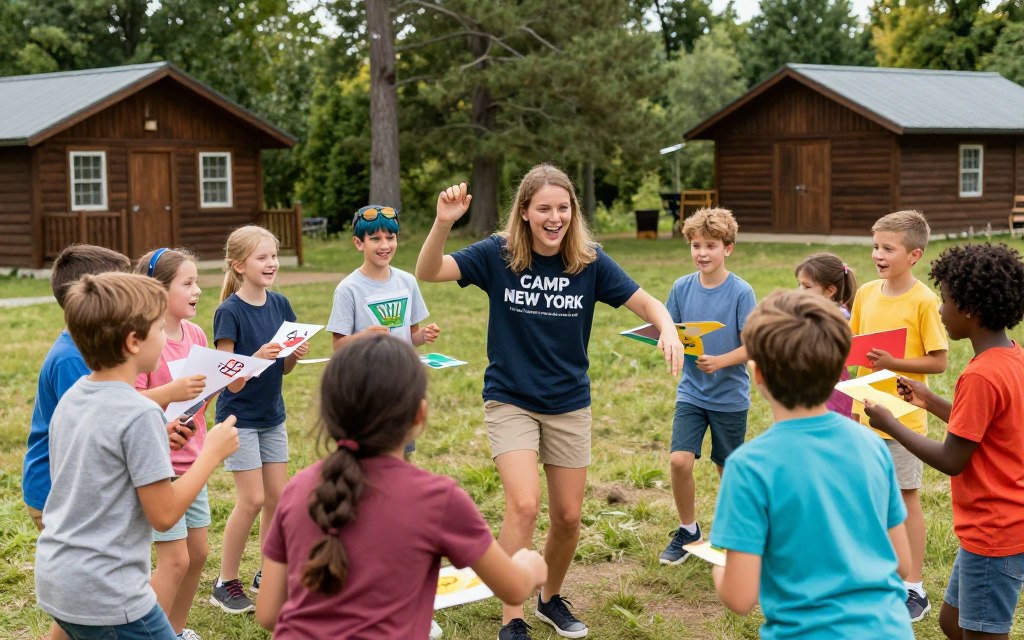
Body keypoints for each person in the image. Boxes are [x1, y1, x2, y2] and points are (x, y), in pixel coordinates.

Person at [416, 166, 684, 640]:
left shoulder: (589, 261)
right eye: (544, 208)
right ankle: (511, 618)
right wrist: (443, 223)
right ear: (525, 211)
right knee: (523, 505)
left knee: (567, 517)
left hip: (568, 402)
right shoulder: (497, 256)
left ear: (572, 212)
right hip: (510, 399)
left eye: (563, 208)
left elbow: (648, 304)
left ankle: (549, 597)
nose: (555, 217)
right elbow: (429, 271)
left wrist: (667, 328)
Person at [255, 334, 548, 638]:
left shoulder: (298, 488)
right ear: (419, 415)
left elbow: (268, 613)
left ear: (330, 414)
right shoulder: (438, 499)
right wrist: (529, 566)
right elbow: (513, 588)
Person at [34, 272, 239, 640]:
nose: (165, 336)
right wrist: (211, 453)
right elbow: (163, 516)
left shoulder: (76, 395)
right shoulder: (139, 413)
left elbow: (100, 454)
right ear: (133, 341)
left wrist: (157, 437)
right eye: (159, 327)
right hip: (110, 592)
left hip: (57, 575)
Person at [710, 290, 913, 640]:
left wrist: (719, 557)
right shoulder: (871, 445)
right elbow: (901, 563)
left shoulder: (748, 466)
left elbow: (740, 597)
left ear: (756, 374)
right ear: (839, 370)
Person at [864, 243, 1024, 640]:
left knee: (982, 634)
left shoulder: (980, 375)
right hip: (1000, 525)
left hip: (993, 530)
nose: (940, 309)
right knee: (952, 623)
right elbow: (984, 428)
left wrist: (891, 422)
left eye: (947, 300)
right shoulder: (1010, 358)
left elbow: (953, 458)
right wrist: (929, 399)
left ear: (969, 310)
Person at [21, 244, 131, 640]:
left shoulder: (83, 349)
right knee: (91, 598)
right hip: (58, 494)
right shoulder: (72, 360)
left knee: (77, 603)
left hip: (65, 490)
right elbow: (95, 428)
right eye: (123, 289)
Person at [850, 209, 948, 622]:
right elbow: (854, 348)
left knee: (906, 501)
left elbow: (939, 361)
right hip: (862, 413)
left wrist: (895, 362)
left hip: (904, 422)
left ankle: (914, 588)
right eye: (875, 246)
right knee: (868, 501)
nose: (878, 254)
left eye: (888, 248)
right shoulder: (866, 293)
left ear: (914, 255)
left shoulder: (925, 300)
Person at [209, 225, 309, 614]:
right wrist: (257, 359)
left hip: (272, 417)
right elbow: (228, 382)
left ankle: (268, 574)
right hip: (239, 419)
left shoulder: (281, 305)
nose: (271, 264)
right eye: (261, 258)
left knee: (277, 499)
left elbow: (284, 371)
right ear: (238, 265)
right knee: (250, 499)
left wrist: (291, 355)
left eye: (273, 256)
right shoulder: (228, 312)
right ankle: (225, 582)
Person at [659, 207, 756, 566]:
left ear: (727, 249)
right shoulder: (681, 287)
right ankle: (688, 530)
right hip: (691, 392)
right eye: (696, 245)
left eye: (710, 245)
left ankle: (731, 535)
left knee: (726, 468)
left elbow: (753, 345)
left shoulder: (741, 292)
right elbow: (669, 328)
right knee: (679, 461)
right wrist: (667, 342)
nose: (702, 253)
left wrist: (720, 361)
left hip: (730, 397)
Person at [134, 248, 212, 640]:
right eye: (188, 283)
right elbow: (126, 404)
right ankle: (143, 634)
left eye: (197, 281)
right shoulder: (144, 339)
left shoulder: (196, 334)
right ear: (159, 291)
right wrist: (172, 390)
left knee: (197, 554)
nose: (197, 289)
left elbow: (199, 396)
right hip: (158, 467)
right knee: (174, 561)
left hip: (193, 460)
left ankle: (174, 632)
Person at [327, 204, 440, 350]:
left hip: (403, 370)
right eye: (375, 239)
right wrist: (364, 337)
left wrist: (423, 335)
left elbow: (410, 338)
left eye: (390, 237)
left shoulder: (408, 282)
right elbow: (338, 346)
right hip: (365, 372)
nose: (385, 246)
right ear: (359, 243)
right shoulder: (347, 289)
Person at [795, 252, 858, 418]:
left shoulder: (838, 318)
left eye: (806, 287)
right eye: (799, 285)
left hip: (830, 391)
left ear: (830, 290)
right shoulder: (808, 314)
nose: (799, 291)